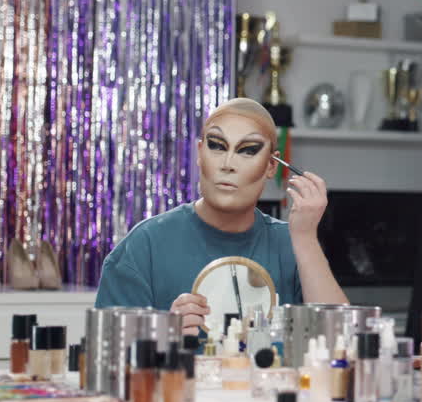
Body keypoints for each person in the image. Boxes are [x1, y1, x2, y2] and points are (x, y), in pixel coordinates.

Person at [95, 98, 348, 331]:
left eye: (247, 150)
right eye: (217, 146)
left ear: (271, 165)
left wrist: (305, 237)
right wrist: (161, 337)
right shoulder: (144, 246)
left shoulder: (293, 243)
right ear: (199, 153)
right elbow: (109, 363)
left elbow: (341, 342)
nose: (228, 163)